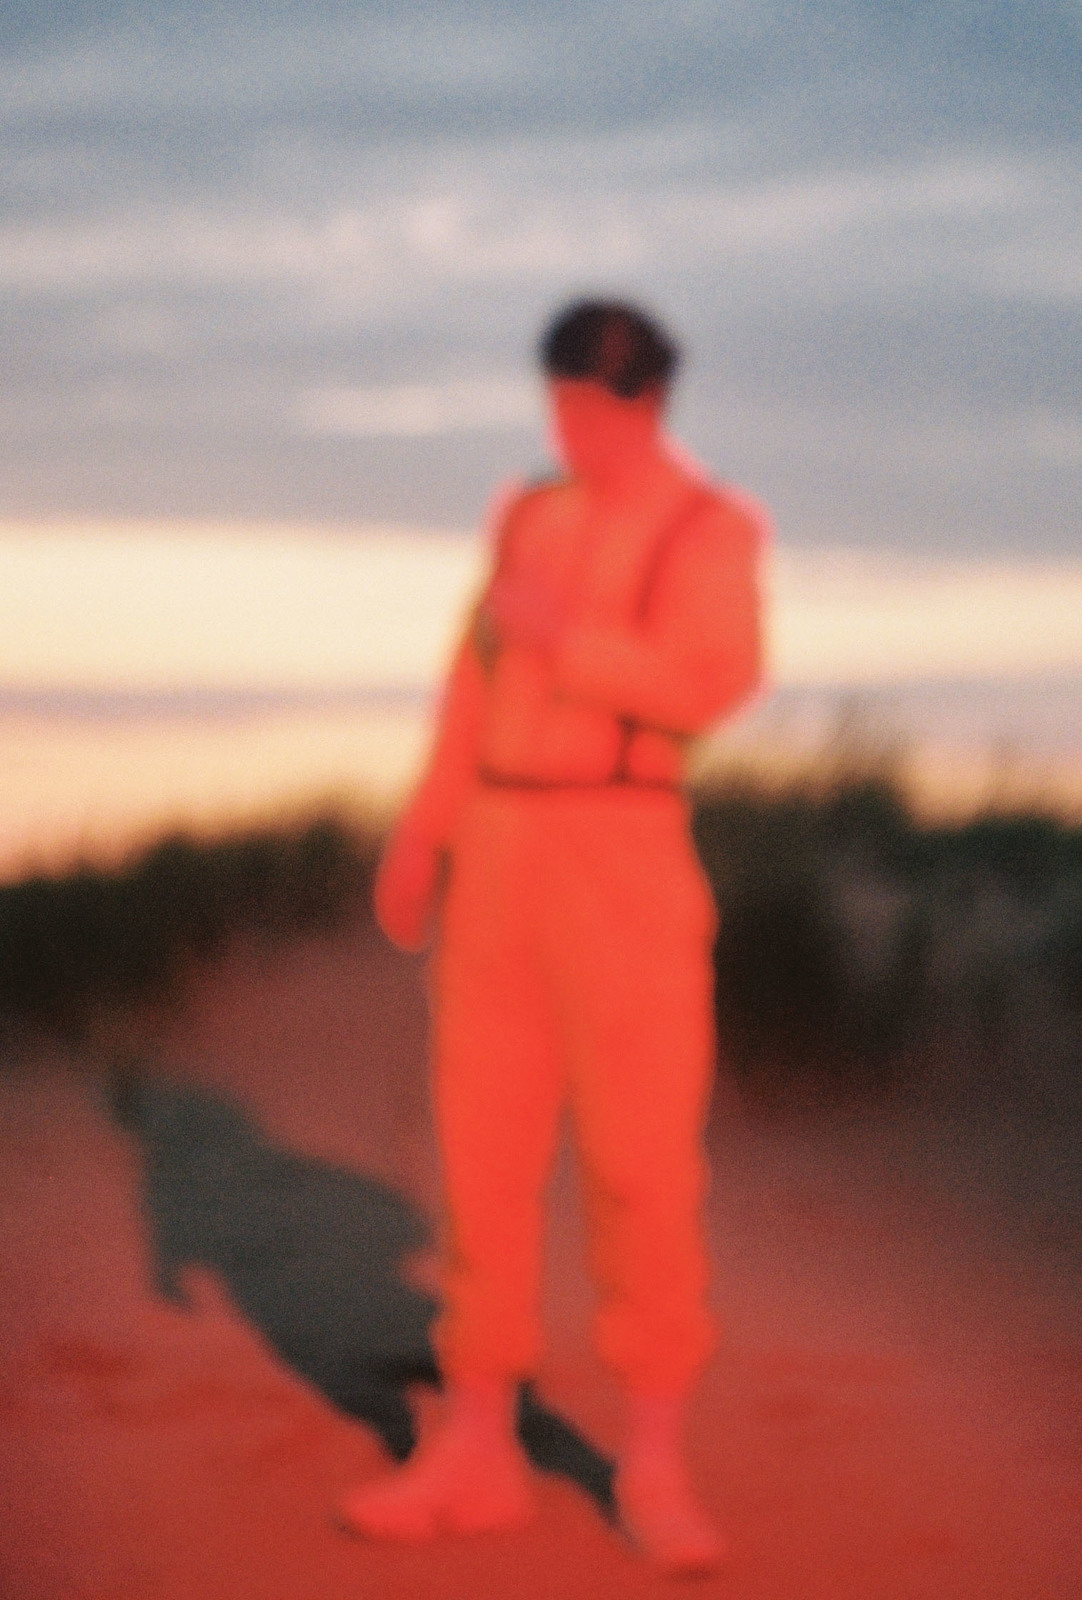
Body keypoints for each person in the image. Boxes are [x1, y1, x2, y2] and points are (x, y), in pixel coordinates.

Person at [337, 300, 765, 1575]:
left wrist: (565, 639)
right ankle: (473, 1455)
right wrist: (424, 831)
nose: (572, 429)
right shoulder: (530, 510)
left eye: (593, 407)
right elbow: (467, 677)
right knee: (483, 1153)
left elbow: (713, 680)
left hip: (625, 852)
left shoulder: (710, 526)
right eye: (561, 405)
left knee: (640, 1168)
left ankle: (654, 1467)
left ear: (644, 402)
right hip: (501, 848)